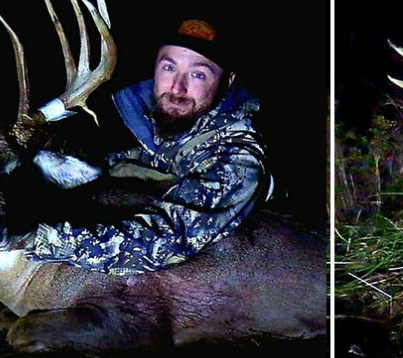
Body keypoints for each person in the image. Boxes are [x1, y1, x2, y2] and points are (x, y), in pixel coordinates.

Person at [28, 18, 272, 275]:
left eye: (198, 74)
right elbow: (122, 164)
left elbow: (163, 239)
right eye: (169, 67)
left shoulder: (239, 159)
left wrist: (37, 239)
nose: (177, 88)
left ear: (228, 81)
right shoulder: (170, 133)